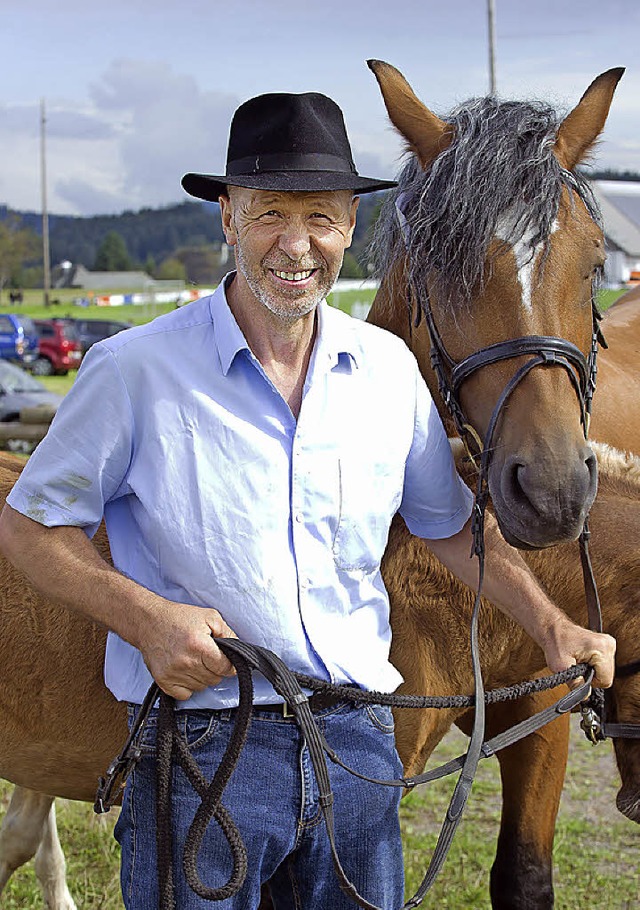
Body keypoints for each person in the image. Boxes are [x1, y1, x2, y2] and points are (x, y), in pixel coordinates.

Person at [0, 91, 615, 910]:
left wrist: (552, 623)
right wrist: (143, 617)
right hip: (204, 748)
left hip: (357, 749)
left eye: (321, 217)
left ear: (352, 226)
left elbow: (452, 526)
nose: (297, 245)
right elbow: (32, 522)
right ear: (227, 217)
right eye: (270, 215)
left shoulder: (388, 372)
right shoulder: (133, 370)